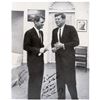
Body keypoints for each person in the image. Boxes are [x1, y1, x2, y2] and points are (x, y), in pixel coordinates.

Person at [51, 13, 79, 99]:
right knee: (60, 81)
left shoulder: (71, 29)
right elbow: (53, 43)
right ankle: (61, 98)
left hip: (69, 60)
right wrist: (54, 48)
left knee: (70, 81)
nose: (56, 21)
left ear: (64, 19)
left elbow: (76, 42)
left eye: (58, 19)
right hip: (59, 60)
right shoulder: (54, 31)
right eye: (55, 19)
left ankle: (74, 98)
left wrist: (63, 45)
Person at [23, 15, 48, 99]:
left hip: (40, 61)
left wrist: (44, 48)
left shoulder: (41, 32)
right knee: (33, 81)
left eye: (43, 22)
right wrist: (38, 50)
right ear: (35, 22)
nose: (43, 24)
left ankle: (37, 97)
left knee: (39, 81)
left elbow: (39, 45)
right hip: (32, 62)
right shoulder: (29, 33)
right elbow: (26, 47)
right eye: (41, 22)